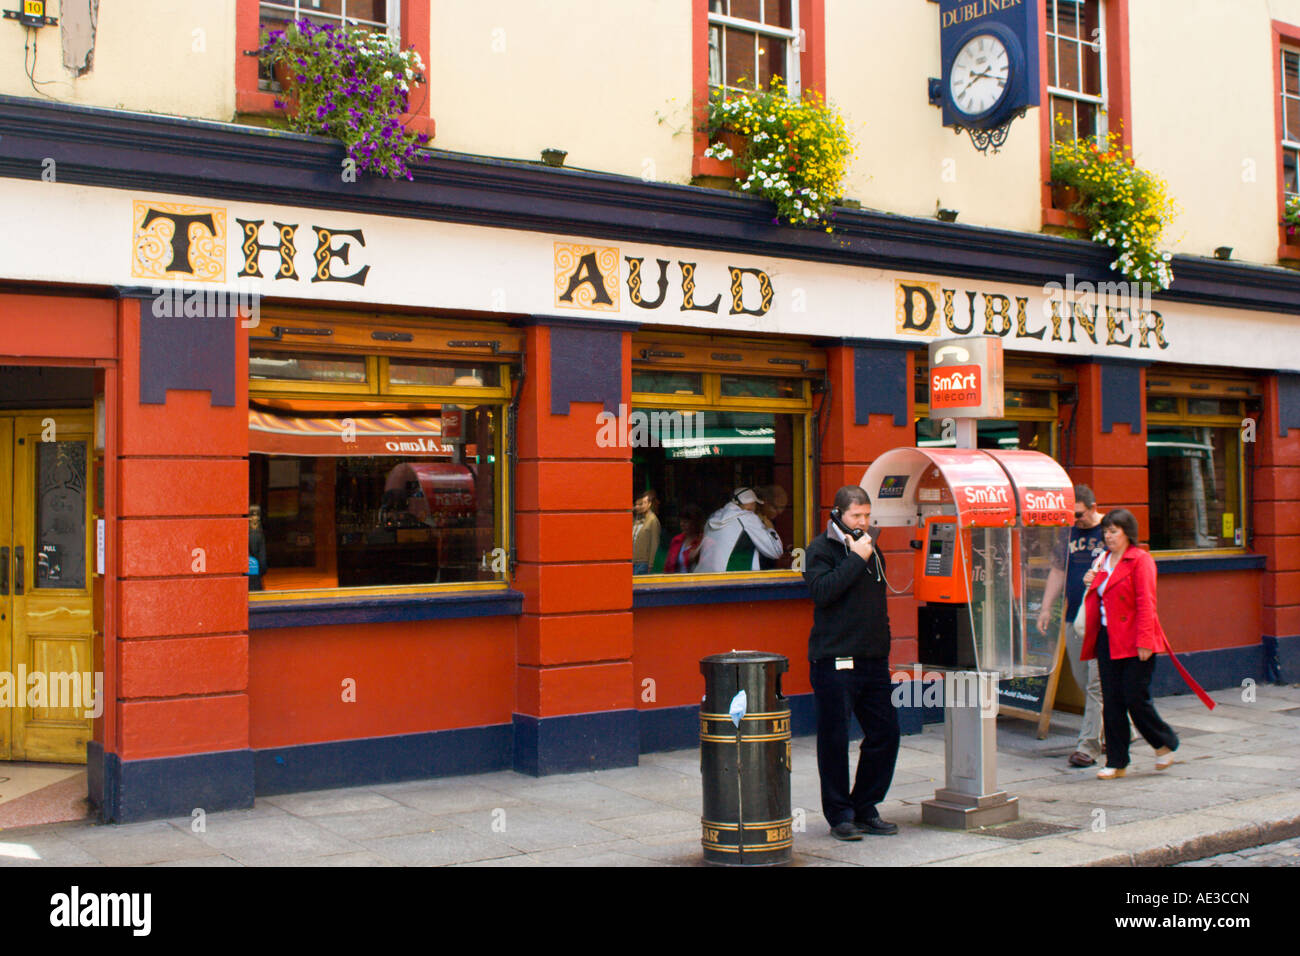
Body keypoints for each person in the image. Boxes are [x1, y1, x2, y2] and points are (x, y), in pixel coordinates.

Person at [1081, 508, 1215, 779]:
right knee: (1113, 701)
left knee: (1135, 698)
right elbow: (1100, 597)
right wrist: (1090, 582)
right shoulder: (1103, 560)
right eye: (1105, 531)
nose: (1108, 536)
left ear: (1127, 533)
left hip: (1135, 639)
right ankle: (1117, 762)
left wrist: (1144, 641)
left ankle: (1165, 742)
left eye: (1114, 531)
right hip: (1108, 637)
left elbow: (1146, 603)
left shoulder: (1140, 560)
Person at [802, 485, 899, 841]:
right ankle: (839, 814)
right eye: (856, 516)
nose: (863, 523)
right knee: (834, 738)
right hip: (834, 659)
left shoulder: (873, 551)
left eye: (866, 516)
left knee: (886, 733)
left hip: (872, 659)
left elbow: (878, 603)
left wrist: (884, 646)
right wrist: (855, 557)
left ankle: (865, 805)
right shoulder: (819, 550)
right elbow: (823, 592)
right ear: (837, 514)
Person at [1036, 484, 1106, 767]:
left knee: (1095, 685)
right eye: (1071, 516)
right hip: (1074, 616)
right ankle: (1123, 725)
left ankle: (1088, 747)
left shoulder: (1110, 530)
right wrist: (1045, 608)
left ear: (1093, 506)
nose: (1076, 521)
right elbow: (1057, 570)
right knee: (1083, 680)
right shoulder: (1068, 533)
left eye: (1079, 514)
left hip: (1102, 619)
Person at [694, 487, 782, 573]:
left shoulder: (714, 516)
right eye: (755, 504)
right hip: (734, 581)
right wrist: (770, 529)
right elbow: (775, 551)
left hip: (705, 579)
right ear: (751, 504)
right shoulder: (748, 518)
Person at [664, 504, 704, 573]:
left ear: (695, 523)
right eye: (681, 521)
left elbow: (710, 569)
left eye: (686, 522)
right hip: (675, 581)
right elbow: (667, 568)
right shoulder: (676, 540)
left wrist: (698, 559)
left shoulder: (704, 542)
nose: (682, 524)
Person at [632, 490, 661, 575]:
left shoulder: (653, 520)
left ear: (649, 504)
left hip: (643, 562)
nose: (641, 506)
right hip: (634, 561)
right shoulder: (637, 520)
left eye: (644, 503)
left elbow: (654, 543)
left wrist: (651, 564)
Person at [249, 504, 267, 592]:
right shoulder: (257, 534)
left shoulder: (245, 533)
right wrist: (263, 570)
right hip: (256, 571)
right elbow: (262, 558)